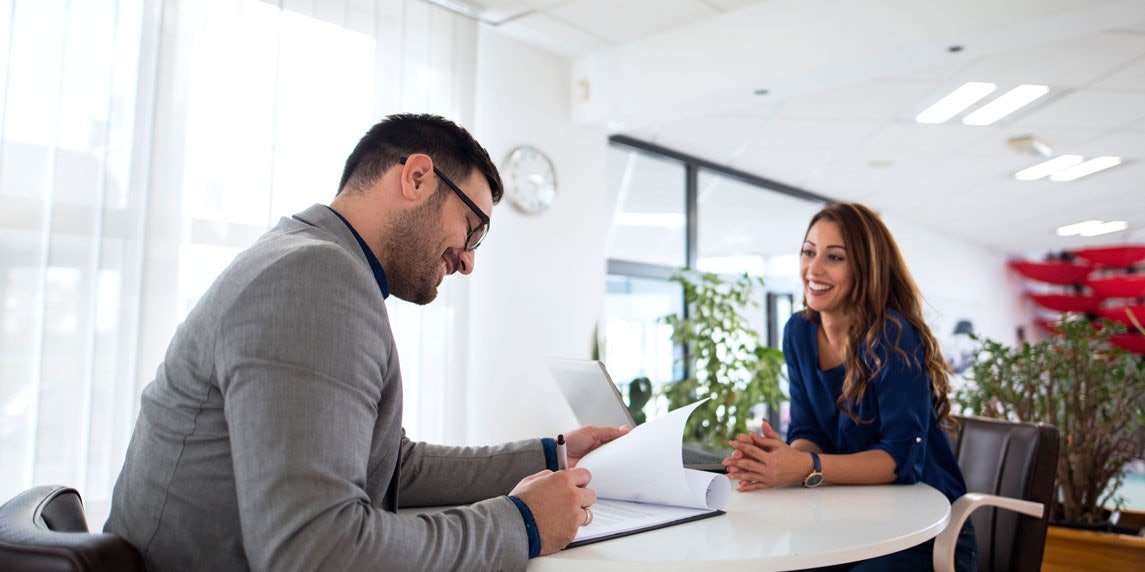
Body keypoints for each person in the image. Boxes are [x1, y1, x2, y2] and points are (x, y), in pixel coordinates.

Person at [104, 113, 627, 571]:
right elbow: (315, 551)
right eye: (472, 228)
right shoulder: (315, 277)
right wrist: (522, 524)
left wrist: (554, 455)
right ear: (418, 178)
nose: (468, 260)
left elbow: (393, 465)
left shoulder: (306, 257)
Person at [722, 202, 977, 571]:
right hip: (849, 519)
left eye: (834, 257)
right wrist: (781, 461)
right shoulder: (799, 332)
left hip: (926, 531)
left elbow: (900, 460)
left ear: (865, 267)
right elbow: (809, 429)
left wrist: (802, 466)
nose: (814, 268)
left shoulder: (892, 335)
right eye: (809, 252)